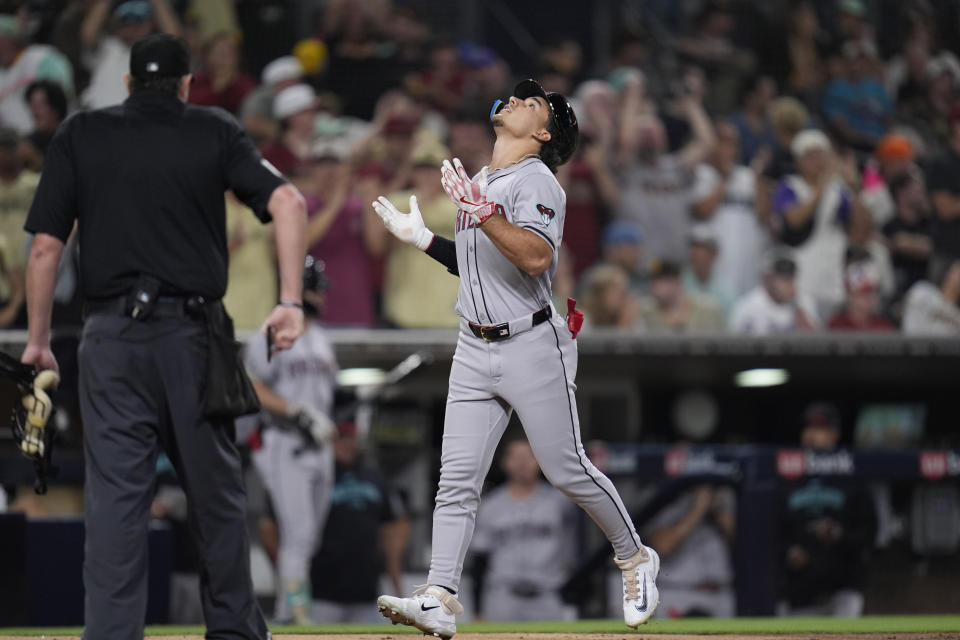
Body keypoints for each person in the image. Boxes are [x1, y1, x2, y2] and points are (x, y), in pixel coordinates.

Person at [21, 34, 307, 640]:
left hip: (110, 339)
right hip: (191, 337)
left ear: (127, 84)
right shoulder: (214, 128)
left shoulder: (80, 133)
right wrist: (289, 302)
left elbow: (46, 246)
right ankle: (233, 632)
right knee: (216, 495)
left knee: (116, 502)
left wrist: (39, 339)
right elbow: (287, 201)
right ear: (185, 84)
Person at [371, 79, 660, 639]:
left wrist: (481, 215)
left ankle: (635, 557)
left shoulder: (538, 180)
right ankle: (438, 595)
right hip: (474, 343)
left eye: (533, 103)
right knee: (455, 478)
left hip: (531, 342)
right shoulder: (482, 180)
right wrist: (426, 241)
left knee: (565, 468)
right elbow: (483, 266)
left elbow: (534, 257)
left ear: (543, 132)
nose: (517, 100)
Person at [245, 256, 338, 624]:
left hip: (319, 446)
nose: (322, 297)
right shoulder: (271, 333)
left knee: (310, 538)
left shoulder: (322, 339)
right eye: (316, 289)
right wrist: (296, 411)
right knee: (298, 534)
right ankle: (296, 616)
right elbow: (249, 386)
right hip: (285, 442)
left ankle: (288, 611)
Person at [777, 403, 877, 617]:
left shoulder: (852, 477)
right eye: (808, 428)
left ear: (835, 434)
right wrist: (787, 551)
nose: (811, 434)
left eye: (820, 428)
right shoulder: (788, 478)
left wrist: (840, 535)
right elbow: (773, 531)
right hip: (800, 588)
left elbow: (870, 533)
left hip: (843, 585)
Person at [309, 421, 410, 623]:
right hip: (321, 590)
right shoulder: (315, 476)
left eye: (351, 438)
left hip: (366, 589)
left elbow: (393, 529)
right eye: (342, 438)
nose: (347, 444)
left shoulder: (373, 476)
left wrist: (396, 584)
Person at [469, 438, 577, 622]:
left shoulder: (560, 502)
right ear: (504, 463)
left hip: (548, 595)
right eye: (516, 457)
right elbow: (479, 559)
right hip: (503, 597)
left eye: (529, 456)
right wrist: (477, 609)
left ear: (540, 461)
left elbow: (578, 546)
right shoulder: (490, 506)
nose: (522, 463)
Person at [772, 129, 869, 321]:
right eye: (811, 156)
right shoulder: (789, 186)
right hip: (802, 279)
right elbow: (794, 221)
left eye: (821, 156)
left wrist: (854, 190)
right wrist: (821, 187)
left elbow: (860, 234)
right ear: (799, 160)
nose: (818, 162)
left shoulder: (838, 192)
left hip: (832, 277)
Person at [692, 121, 768, 298]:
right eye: (722, 142)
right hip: (715, 266)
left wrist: (758, 179)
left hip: (747, 263)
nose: (726, 149)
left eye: (731, 144)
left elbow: (763, 213)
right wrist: (725, 178)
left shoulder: (748, 176)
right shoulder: (700, 174)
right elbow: (703, 210)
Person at [644, 484, 736, 618]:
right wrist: (699, 508)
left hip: (720, 594)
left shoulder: (725, 498)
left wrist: (717, 509)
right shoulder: (667, 499)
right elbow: (663, 546)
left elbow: (748, 544)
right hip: (680, 593)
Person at [80, 0, 181, 109]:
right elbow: (87, 36)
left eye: (138, 23)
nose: (131, 29)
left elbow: (175, 39)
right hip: (98, 117)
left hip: (140, 120)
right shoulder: (108, 47)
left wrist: (156, 2)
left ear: (149, 25)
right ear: (116, 26)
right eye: (125, 23)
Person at [0, 14, 73, 135]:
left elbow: (61, 91)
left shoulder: (40, 56)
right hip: (13, 142)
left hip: (52, 134)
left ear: (12, 39)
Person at [729, 250, 819, 335]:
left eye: (790, 277)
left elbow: (815, 342)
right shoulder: (747, 305)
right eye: (781, 276)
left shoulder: (804, 301)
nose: (787, 282)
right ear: (767, 278)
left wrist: (795, 305)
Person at [638, 259, 724, 333]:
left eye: (659, 282)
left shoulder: (708, 309)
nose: (653, 287)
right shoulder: (646, 311)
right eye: (652, 282)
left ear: (676, 282)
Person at [827, 259, 894, 331]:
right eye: (864, 294)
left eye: (873, 293)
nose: (870, 298)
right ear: (850, 296)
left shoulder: (883, 326)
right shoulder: (837, 325)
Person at [902, 260, 960, 335]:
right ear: (950, 273)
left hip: (943, 346)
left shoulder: (958, 316)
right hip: (913, 343)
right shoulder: (924, 291)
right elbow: (911, 325)